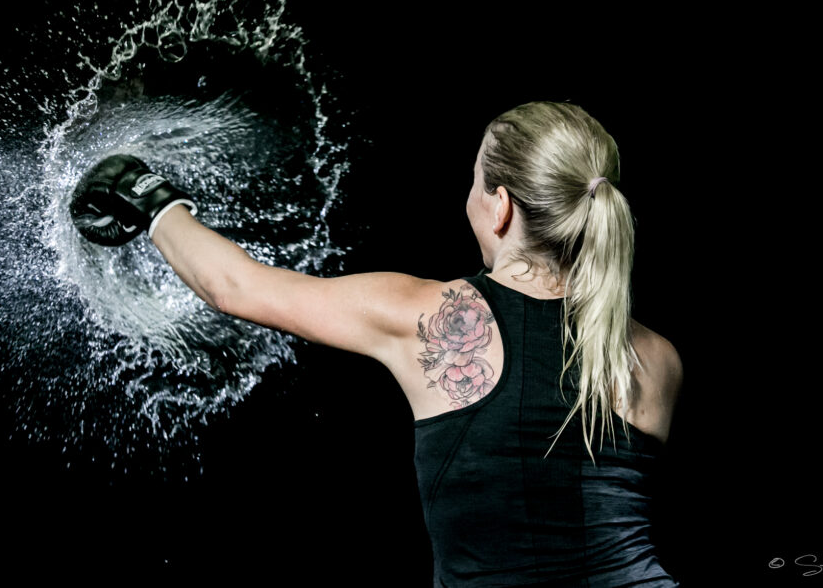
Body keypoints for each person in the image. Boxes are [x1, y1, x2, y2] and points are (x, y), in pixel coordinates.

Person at [70, 100, 684, 586]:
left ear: (499, 208)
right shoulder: (658, 359)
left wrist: (149, 199)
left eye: (474, 180)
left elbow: (236, 287)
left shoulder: (432, 317)